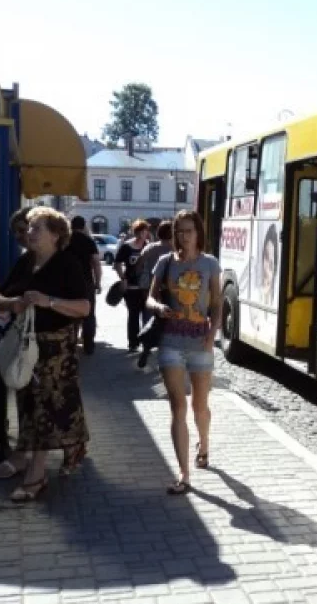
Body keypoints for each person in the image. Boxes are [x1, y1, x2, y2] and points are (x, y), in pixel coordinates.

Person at [0, 206, 92, 502]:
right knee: (30, 402)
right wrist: (12, 304)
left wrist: (48, 301)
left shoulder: (68, 264)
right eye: (29, 228)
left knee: (46, 406)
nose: (28, 234)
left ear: (56, 235)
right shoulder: (25, 262)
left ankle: (36, 474)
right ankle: (68, 447)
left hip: (57, 349)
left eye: (36, 228)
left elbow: (84, 307)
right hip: (26, 345)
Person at [146, 210, 222, 494]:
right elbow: (150, 297)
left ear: (199, 233)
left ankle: (204, 442)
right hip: (171, 341)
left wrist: (213, 333)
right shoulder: (165, 263)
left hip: (200, 343)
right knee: (178, 406)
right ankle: (184, 473)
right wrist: (157, 307)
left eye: (189, 231)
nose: (184, 236)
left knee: (199, 406)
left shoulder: (210, 264)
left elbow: (216, 303)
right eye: (180, 231)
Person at [135, 221, 175, 368]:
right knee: (165, 320)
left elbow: (138, 265)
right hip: (167, 289)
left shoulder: (150, 247)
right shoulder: (174, 249)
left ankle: (146, 345)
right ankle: (163, 349)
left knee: (149, 316)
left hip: (148, 286)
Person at [66, 215, 103, 354]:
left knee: (69, 312)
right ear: (83, 226)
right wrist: (98, 282)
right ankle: (88, 345)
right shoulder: (89, 241)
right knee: (89, 314)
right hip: (86, 282)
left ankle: (71, 342)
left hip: (67, 282)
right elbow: (96, 263)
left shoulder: (64, 241)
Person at [115, 220, 151, 352]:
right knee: (133, 315)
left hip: (145, 287)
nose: (144, 233)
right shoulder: (127, 247)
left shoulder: (148, 246)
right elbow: (117, 264)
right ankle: (133, 342)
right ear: (136, 232)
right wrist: (123, 278)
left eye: (146, 231)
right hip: (131, 287)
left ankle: (146, 341)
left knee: (147, 315)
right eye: (142, 231)